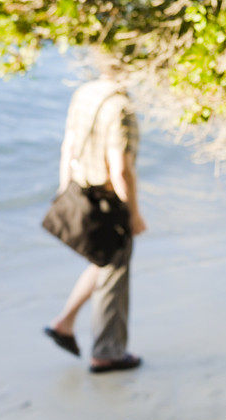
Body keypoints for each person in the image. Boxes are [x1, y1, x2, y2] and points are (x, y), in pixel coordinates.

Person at [44, 74, 146, 373]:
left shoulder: (86, 92)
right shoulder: (119, 107)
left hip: (81, 192)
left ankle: (64, 323)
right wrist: (133, 213)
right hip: (108, 200)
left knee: (104, 262)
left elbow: (69, 146)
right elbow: (120, 170)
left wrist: (66, 192)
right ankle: (106, 353)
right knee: (114, 273)